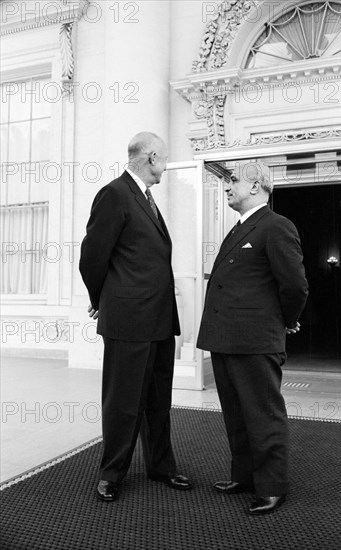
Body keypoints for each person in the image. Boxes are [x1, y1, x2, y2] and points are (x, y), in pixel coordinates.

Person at [79, 132, 192, 502]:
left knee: (159, 400)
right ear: (152, 156)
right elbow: (92, 256)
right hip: (128, 319)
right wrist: (102, 299)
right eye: (164, 160)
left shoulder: (146, 198)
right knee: (124, 401)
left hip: (159, 319)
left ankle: (161, 466)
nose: (166, 167)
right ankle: (112, 473)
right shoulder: (114, 194)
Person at [197, 161, 308, 515]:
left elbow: (294, 285)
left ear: (257, 186)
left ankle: (272, 486)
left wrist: (286, 321)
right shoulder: (238, 229)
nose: (228, 188)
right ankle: (244, 476)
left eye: (234, 183)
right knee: (236, 414)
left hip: (256, 340)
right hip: (227, 338)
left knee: (262, 414)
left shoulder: (277, 227)